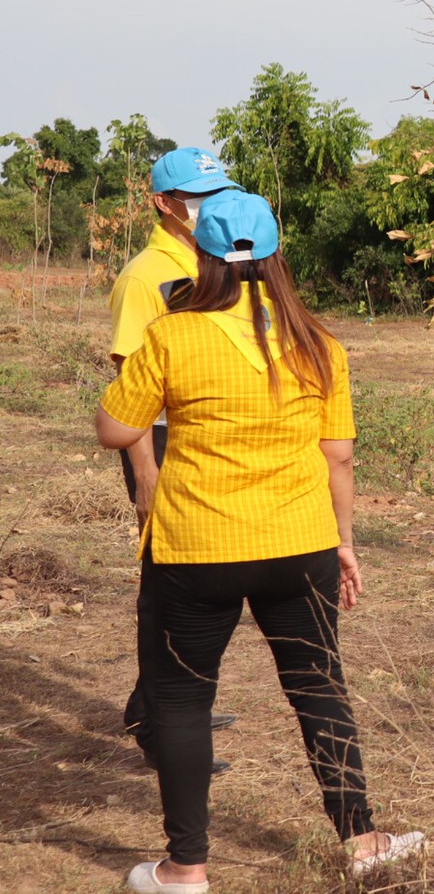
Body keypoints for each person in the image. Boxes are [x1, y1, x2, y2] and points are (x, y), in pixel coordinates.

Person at [95, 191, 423, 892]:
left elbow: (116, 430)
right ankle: (363, 840)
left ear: (204, 256)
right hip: (299, 542)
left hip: (194, 549)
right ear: (276, 256)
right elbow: (338, 456)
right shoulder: (318, 344)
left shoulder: (172, 336)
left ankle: (185, 869)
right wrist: (345, 544)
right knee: (318, 686)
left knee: (180, 700)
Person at [111, 147, 244, 774]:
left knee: (202, 578)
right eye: (196, 195)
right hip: (161, 442)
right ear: (163, 203)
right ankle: (159, 724)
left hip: (206, 436)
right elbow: (127, 384)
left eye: (215, 192)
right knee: (165, 583)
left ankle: (166, 699)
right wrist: (145, 472)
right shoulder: (145, 276)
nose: (207, 204)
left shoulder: (213, 255)